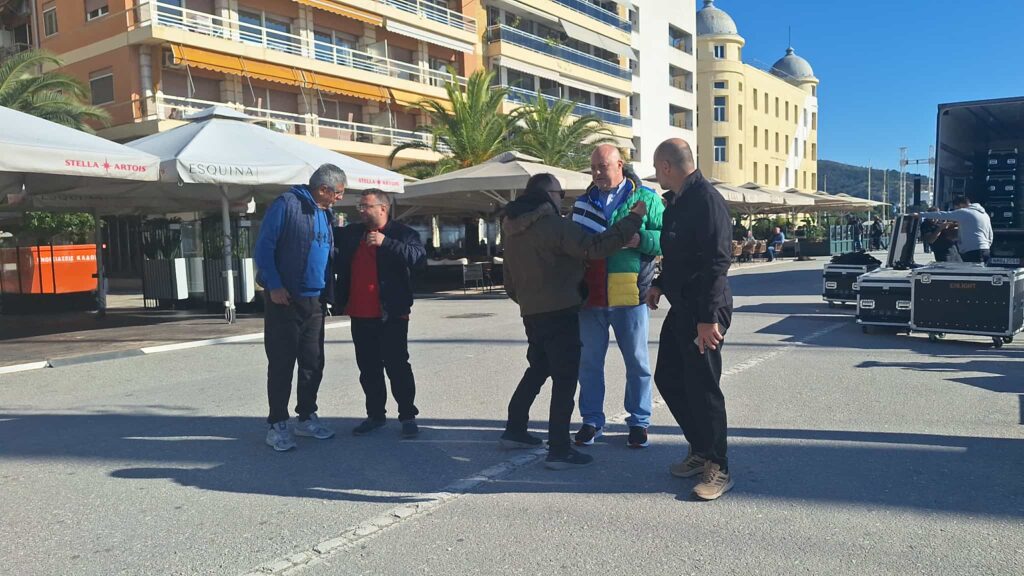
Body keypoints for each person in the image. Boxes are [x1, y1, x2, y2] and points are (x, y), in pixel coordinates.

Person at [501, 173, 647, 469]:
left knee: (538, 368)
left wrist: (528, 302)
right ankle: (559, 449)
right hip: (560, 311)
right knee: (565, 380)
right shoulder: (554, 225)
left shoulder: (511, 228)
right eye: (559, 193)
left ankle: (515, 428)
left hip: (532, 312)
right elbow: (594, 247)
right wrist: (632, 220)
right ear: (547, 195)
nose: (562, 199)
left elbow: (509, 281)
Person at [646, 138, 735, 501]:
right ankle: (700, 448)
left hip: (705, 310)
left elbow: (717, 261)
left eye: (657, 167)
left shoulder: (706, 200)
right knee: (668, 377)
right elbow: (677, 258)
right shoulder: (676, 203)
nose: (656, 174)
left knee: (703, 386)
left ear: (667, 166)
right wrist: (659, 284)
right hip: (682, 307)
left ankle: (719, 465)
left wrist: (709, 318)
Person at [570, 145, 664, 449]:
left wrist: (641, 239)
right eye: (593, 168)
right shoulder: (582, 203)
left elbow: (668, 239)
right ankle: (591, 420)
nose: (597, 173)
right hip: (591, 296)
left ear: (620, 165)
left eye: (603, 166)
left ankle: (639, 421)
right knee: (589, 363)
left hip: (630, 294)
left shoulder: (646, 199)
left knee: (637, 362)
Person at [255, 164, 345, 451]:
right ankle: (277, 423)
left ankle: (306, 416)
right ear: (323, 189)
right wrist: (274, 285)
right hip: (285, 299)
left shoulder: (325, 212)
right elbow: (264, 248)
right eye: (338, 192)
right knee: (282, 363)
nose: (340, 198)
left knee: (313, 362)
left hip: (315, 300)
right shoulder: (286, 204)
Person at [334, 189, 427, 438]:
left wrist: (387, 243)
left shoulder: (403, 233)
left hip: (392, 313)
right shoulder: (352, 233)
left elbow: (419, 259)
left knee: (397, 366)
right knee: (368, 368)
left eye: (366, 206)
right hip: (360, 313)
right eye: (360, 206)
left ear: (382, 208)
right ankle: (375, 415)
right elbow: (329, 243)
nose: (361, 211)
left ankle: (407, 416)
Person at [918, 196, 993, 263]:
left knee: (972, 273)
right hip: (986, 249)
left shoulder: (964, 212)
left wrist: (921, 214)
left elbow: (943, 215)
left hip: (972, 250)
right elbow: (990, 235)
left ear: (960, 205)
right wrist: (987, 245)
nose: (956, 211)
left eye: (956, 208)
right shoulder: (984, 214)